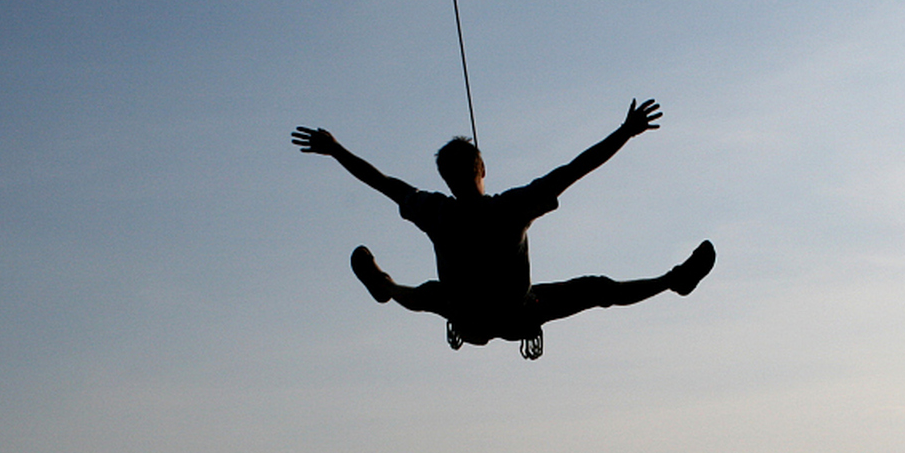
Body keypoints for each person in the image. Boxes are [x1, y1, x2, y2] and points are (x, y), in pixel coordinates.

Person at [292, 99, 714, 359]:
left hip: (467, 318)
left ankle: (388, 288)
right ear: (483, 170)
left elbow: (380, 181)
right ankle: (672, 281)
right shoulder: (513, 208)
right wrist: (625, 131)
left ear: (445, 179)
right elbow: (577, 168)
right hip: (518, 314)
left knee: (428, 295)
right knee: (596, 288)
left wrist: (334, 150)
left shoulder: (435, 211)